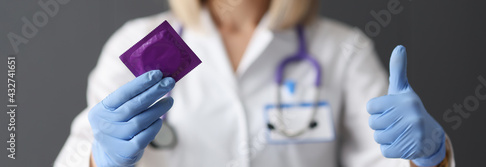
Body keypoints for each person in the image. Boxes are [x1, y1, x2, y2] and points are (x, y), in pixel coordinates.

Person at [55, 0, 455, 166]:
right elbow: (74, 156)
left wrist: (430, 157)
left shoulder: (342, 50)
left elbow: (383, 161)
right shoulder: (134, 45)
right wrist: (98, 160)